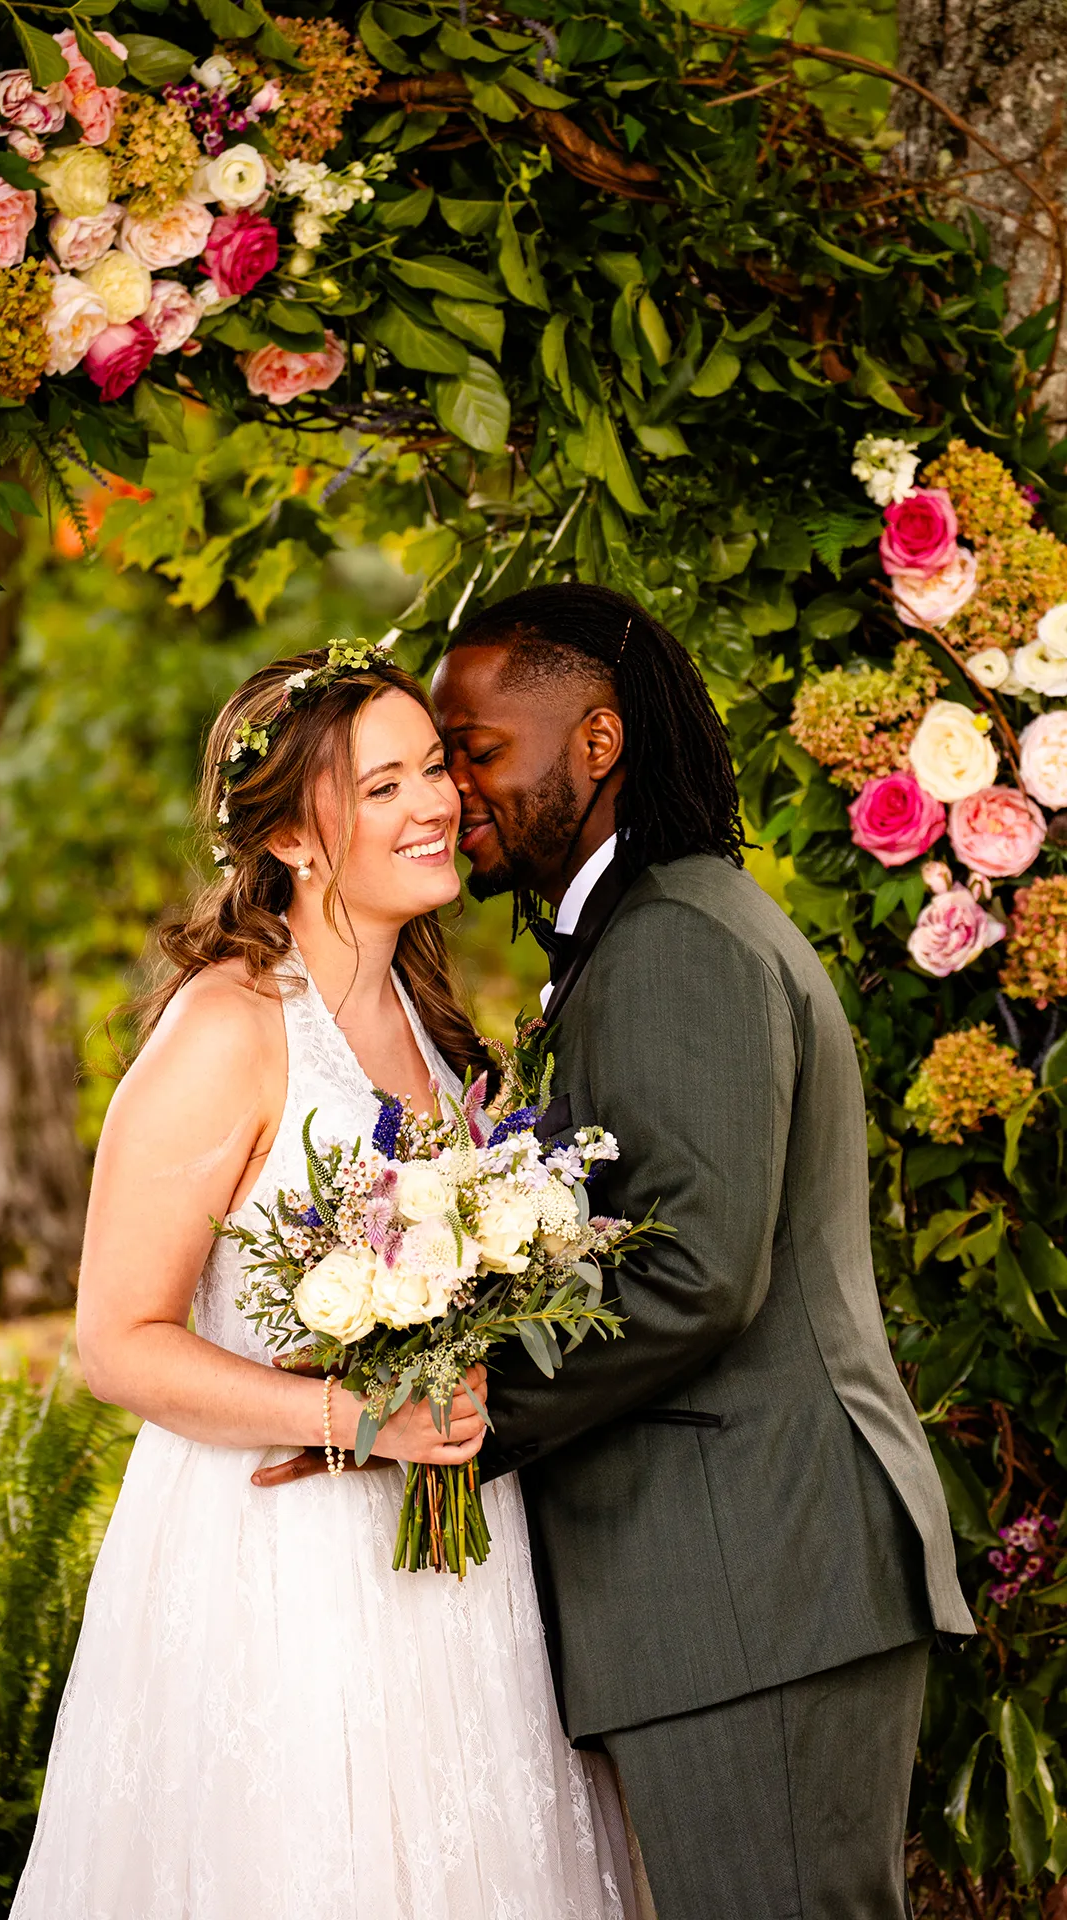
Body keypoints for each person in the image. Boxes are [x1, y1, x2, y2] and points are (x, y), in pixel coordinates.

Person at [10, 638, 636, 1920]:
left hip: (449, 1566)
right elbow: (116, 1341)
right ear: (295, 838)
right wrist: (356, 1419)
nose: (439, 806)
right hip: (277, 1565)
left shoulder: (427, 1017)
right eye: (388, 783)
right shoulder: (226, 1027)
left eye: (437, 772)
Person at [425, 582, 975, 1920]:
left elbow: (695, 1272)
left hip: (755, 1583)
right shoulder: (655, 928)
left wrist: (455, 1416)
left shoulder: (674, 941)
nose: (450, 789)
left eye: (475, 748)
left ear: (598, 743)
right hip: (739, 1586)